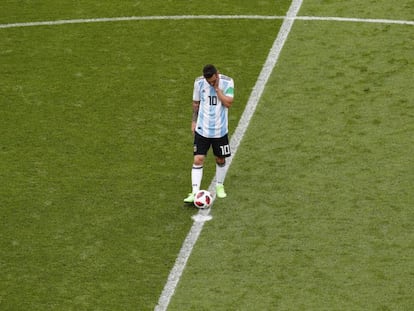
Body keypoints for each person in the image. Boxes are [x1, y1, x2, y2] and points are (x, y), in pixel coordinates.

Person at [183, 64, 234, 203]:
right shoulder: (199, 83)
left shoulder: (228, 82)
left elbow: (228, 103)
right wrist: (194, 120)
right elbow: (196, 103)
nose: (210, 83)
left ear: (217, 74)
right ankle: (194, 192)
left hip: (220, 130)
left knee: (220, 159)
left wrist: (217, 89)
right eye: (209, 82)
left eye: (213, 80)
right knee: (198, 159)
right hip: (203, 129)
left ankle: (219, 186)